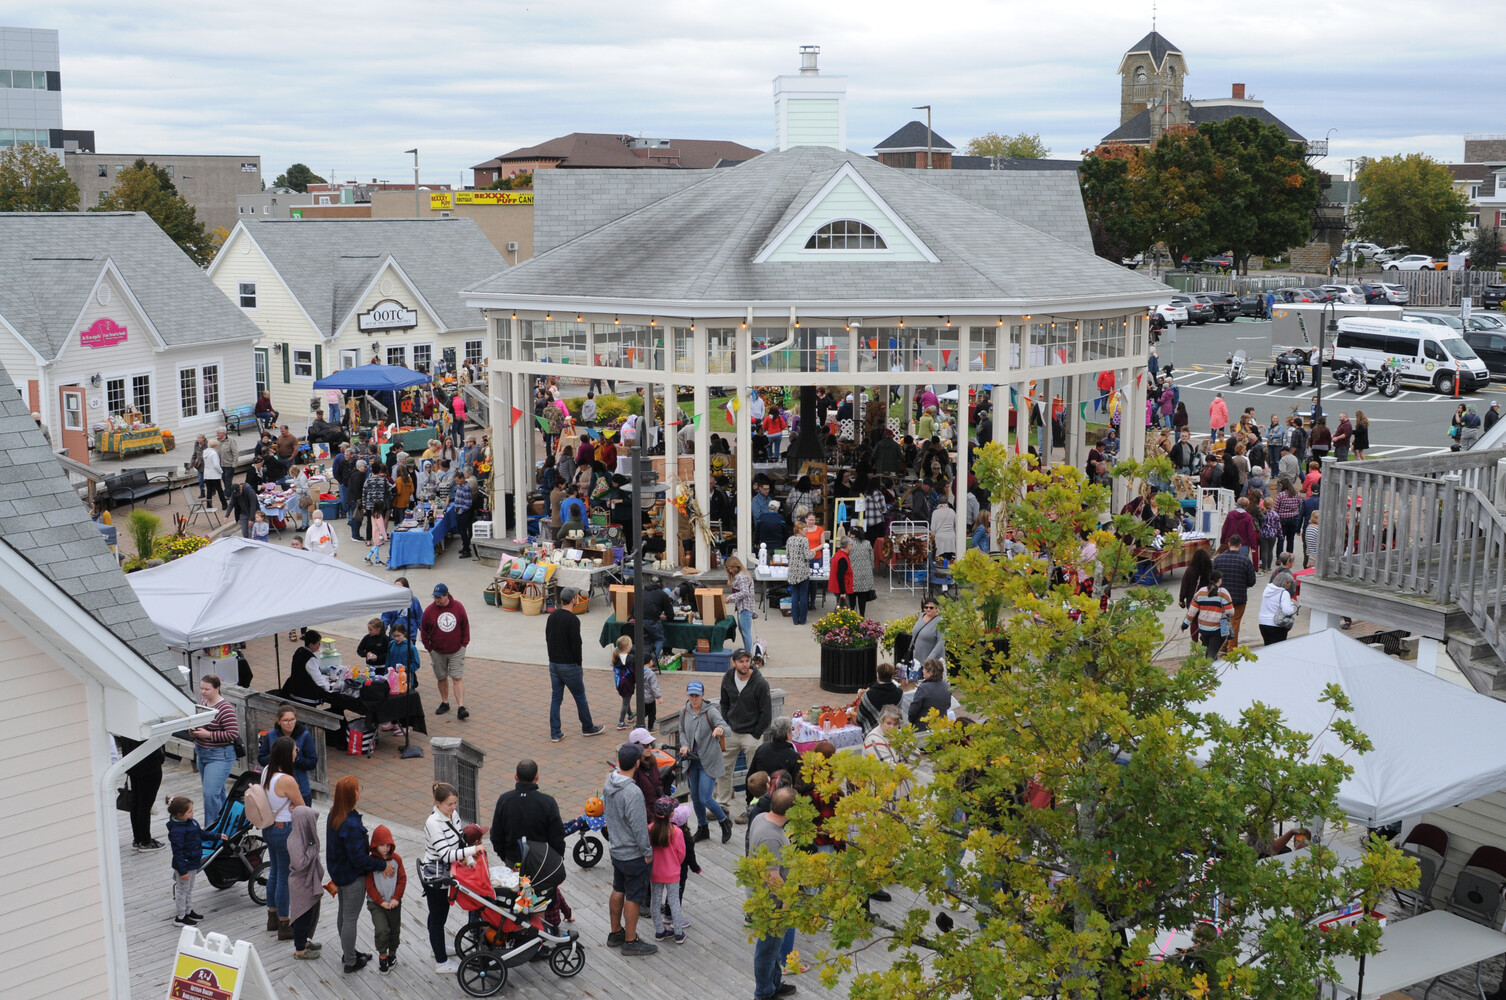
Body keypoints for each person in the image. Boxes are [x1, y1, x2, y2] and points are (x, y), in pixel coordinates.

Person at [327, 776, 388, 974]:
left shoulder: (334, 813)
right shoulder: (351, 825)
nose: (359, 791)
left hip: (338, 873)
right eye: (357, 788)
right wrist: (382, 865)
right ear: (352, 794)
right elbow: (359, 860)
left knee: (343, 915)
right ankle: (351, 962)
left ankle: (348, 952)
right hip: (352, 877)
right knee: (350, 919)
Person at [604, 743, 658, 956]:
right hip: (633, 853)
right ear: (637, 763)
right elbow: (639, 826)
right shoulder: (633, 792)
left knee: (618, 888)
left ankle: (615, 932)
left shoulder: (610, 781)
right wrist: (647, 852)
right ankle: (630, 940)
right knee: (634, 896)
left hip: (616, 848)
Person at [421, 781, 479, 973]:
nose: (453, 808)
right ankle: (441, 962)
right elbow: (446, 854)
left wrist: (470, 858)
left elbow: (459, 840)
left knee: (438, 916)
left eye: (455, 803)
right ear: (438, 803)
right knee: (438, 917)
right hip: (437, 875)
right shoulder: (433, 823)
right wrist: (474, 849)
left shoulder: (452, 815)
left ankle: (437, 948)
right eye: (449, 804)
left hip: (448, 871)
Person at [748, 787, 799, 1000]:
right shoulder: (771, 837)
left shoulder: (761, 817)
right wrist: (788, 901)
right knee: (767, 951)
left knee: (774, 948)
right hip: (771, 904)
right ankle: (764, 993)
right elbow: (772, 877)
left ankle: (774, 984)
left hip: (770, 900)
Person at [717, 648, 771, 823]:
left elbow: (766, 712)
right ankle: (722, 806)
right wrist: (726, 724)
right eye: (741, 661)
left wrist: (756, 733)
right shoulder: (728, 678)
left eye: (747, 661)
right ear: (734, 662)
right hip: (731, 731)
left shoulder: (760, 683)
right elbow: (723, 703)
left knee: (755, 774)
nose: (744, 664)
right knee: (724, 769)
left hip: (751, 734)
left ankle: (753, 807)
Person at [261, 736, 306, 941]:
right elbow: (303, 806)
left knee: (275, 873)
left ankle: (272, 916)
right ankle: (284, 922)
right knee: (284, 878)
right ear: (288, 754)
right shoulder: (287, 779)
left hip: (270, 827)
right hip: (285, 830)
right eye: (295, 750)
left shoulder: (266, 771)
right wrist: (295, 806)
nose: (297, 753)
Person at [489, 758, 567, 871]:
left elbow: (496, 834)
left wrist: (505, 856)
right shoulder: (547, 802)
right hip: (541, 861)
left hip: (513, 861)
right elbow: (557, 837)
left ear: (516, 777)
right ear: (537, 777)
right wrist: (555, 859)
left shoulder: (504, 800)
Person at [678, 680, 731, 842]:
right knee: (694, 796)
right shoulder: (684, 711)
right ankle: (703, 828)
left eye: (697, 695)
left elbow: (726, 729)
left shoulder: (711, 711)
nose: (694, 698)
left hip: (708, 760)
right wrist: (685, 745)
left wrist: (719, 729)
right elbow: (681, 730)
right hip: (692, 761)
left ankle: (724, 821)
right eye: (691, 695)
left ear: (702, 695)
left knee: (705, 798)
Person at [190, 674, 237, 828]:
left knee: (210, 794)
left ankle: (211, 829)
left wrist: (208, 734)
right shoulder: (203, 703)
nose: (203, 692)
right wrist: (194, 731)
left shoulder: (225, 708)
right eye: (201, 688)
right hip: (202, 752)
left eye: (207, 689)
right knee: (218, 792)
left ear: (217, 688)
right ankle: (227, 824)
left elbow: (232, 734)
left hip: (219, 755)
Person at [422, 584, 470, 720]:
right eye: (434, 597)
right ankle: (445, 702)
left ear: (446, 595)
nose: (436, 599)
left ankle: (461, 707)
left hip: (456, 650)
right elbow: (424, 630)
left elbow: (465, 625)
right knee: (441, 677)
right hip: (437, 651)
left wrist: (464, 644)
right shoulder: (429, 611)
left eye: (439, 597)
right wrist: (429, 648)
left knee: (457, 677)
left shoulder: (458, 607)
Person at [363, 823, 406, 974]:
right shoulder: (371, 863)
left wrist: (396, 898)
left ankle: (392, 954)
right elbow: (369, 884)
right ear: (375, 845)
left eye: (388, 845)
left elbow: (402, 879)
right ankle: (382, 955)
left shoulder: (397, 860)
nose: (385, 848)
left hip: (394, 903)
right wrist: (380, 901)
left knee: (394, 930)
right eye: (381, 845)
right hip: (376, 903)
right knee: (382, 930)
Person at [257, 704, 319, 803]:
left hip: (300, 789)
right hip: (276, 789)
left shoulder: (305, 735)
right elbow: (261, 758)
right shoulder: (271, 735)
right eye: (285, 720)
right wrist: (276, 757)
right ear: (278, 721)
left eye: (292, 720)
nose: (289, 723)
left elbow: (312, 762)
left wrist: (296, 757)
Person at [288, 804, 325, 960]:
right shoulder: (295, 840)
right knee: (301, 915)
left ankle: (304, 941)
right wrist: (312, 849)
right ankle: (300, 950)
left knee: (309, 913)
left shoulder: (303, 836)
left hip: (306, 883)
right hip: (300, 884)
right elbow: (300, 864)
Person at [649, 796, 688, 944]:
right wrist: (675, 864)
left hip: (655, 872)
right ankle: (678, 933)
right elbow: (681, 853)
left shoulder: (650, 829)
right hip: (672, 872)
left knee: (655, 901)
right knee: (674, 902)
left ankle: (659, 931)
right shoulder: (676, 832)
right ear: (671, 814)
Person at [167, 796, 209, 927]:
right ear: (180, 814)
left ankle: (188, 911)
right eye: (190, 811)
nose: (193, 813)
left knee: (189, 889)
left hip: (193, 862)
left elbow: (201, 834)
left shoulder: (191, 822)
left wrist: (218, 836)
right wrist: (182, 870)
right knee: (182, 890)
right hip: (185, 864)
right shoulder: (177, 831)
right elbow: (177, 852)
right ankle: (180, 917)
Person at [1213, 536, 1258, 650]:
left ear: (1229, 544)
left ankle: (1222, 646)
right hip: (1239, 597)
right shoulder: (1245, 561)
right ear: (1240, 545)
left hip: (1221, 597)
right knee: (1235, 623)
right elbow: (1252, 581)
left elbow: (1212, 578)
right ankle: (1231, 649)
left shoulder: (1219, 559)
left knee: (1222, 621)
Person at [1184, 569, 1233, 661]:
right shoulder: (1223, 592)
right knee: (1212, 655)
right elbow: (1230, 611)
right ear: (1219, 580)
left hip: (1203, 628)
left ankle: (1208, 669)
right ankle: (1209, 671)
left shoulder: (1201, 591)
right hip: (1217, 629)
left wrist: (1185, 624)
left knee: (1208, 651)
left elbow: (1192, 610)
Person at [747, 717, 803, 795]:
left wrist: (749, 801)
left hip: (761, 796)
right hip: (784, 799)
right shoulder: (793, 757)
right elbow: (799, 785)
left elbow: (751, 775)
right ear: (787, 734)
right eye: (791, 730)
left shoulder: (762, 749)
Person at [855, 661, 905, 734]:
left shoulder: (869, 694)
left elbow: (860, 717)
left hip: (873, 734)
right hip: (894, 733)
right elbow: (899, 714)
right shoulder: (899, 693)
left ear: (878, 676)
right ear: (892, 677)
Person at [908, 658, 951, 731]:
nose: (923, 671)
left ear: (930, 672)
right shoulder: (946, 686)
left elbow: (913, 709)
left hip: (923, 728)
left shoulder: (923, 688)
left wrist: (911, 720)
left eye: (924, 669)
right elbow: (948, 705)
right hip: (941, 726)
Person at [725, 556, 756, 653]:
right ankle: (747, 652)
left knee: (746, 632)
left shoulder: (741, 577)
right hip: (742, 607)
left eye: (730, 568)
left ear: (735, 566)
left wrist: (731, 597)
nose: (730, 571)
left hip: (745, 607)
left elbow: (745, 592)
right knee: (743, 631)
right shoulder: (742, 575)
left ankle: (747, 654)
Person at [1258, 575, 1299, 645]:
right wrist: (1291, 605)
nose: (1290, 584)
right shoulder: (1284, 593)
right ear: (1285, 583)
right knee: (1278, 649)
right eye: (1289, 582)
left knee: (1267, 646)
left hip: (1263, 623)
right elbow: (1288, 611)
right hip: (1276, 624)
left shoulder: (1267, 589)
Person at [785, 526, 813, 626]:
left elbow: (787, 555)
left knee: (795, 595)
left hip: (792, 570)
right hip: (803, 571)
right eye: (805, 529)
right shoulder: (804, 540)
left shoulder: (789, 539)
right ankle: (803, 619)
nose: (806, 531)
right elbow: (807, 555)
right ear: (800, 530)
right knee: (803, 596)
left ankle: (795, 619)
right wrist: (813, 553)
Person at [909, 599, 944, 666]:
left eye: (931, 607)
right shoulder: (922, 616)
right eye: (926, 607)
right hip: (917, 659)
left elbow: (941, 642)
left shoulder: (940, 622)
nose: (928, 609)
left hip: (931, 662)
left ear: (936, 608)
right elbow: (915, 634)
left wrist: (931, 657)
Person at [828, 536, 856, 608]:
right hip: (841, 588)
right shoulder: (842, 558)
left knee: (840, 607)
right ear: (847, 546)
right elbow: (840, 576)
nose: (851, 546)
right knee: (843, 609)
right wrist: (843, 592)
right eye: (851, 545)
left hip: (838, 587)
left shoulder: (838, 555)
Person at [201, 439, 226, 510]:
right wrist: (221, 471)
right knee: (219, 490)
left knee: (209, 490)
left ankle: (209, 505)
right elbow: (216, 465)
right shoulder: (214, 453)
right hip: (214, 474)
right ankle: (224, 504)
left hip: (207, 474)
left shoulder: (205, 453)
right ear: (215, 446)